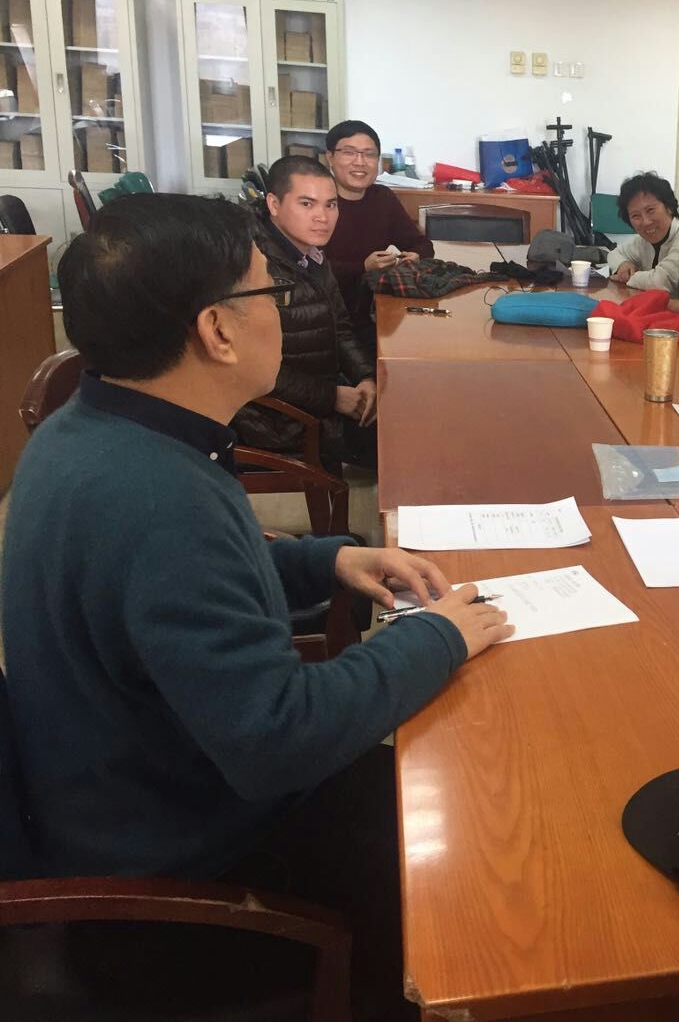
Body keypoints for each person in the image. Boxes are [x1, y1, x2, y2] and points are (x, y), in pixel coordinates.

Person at [0, 193, 513, 1020]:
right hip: (180, 892)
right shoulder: (161, 503)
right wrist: (438, 640)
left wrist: (328, 559)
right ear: (217, 330)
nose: (282, 308)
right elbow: (279, 738)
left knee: (429, 789)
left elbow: (174, 592)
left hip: (140, 793)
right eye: (268, 290)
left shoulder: (96, 431)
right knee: (474, 873)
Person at [232, 155, 378, 472]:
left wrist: (366, 377)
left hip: (317, 396)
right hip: (275, 419)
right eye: (307, 204)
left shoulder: (311, 256)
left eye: (331, 205)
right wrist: (332, 398)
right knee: (405, 437)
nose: (322, 217)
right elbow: (249, 365)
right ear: (273, 204)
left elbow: (340, 330)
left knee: (409, 412)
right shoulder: (253, 265)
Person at [323, 119, 434, 352]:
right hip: (326, 317)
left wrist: (414, 255)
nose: (360, 162)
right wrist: (362, 267)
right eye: (349, 153)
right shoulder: (318, 201)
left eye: (369, 154)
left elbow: (421, 244)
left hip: (374, 313)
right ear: (330, 157)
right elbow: (307, 269)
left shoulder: (382, 198)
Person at [606, 171, 679, 297]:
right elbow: (613, 254)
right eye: (635, 216)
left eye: (650, 210)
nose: (645, 222)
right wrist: (623, 264)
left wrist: (628, 277)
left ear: (669, 207)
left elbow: (661, 282)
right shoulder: (641, 241)